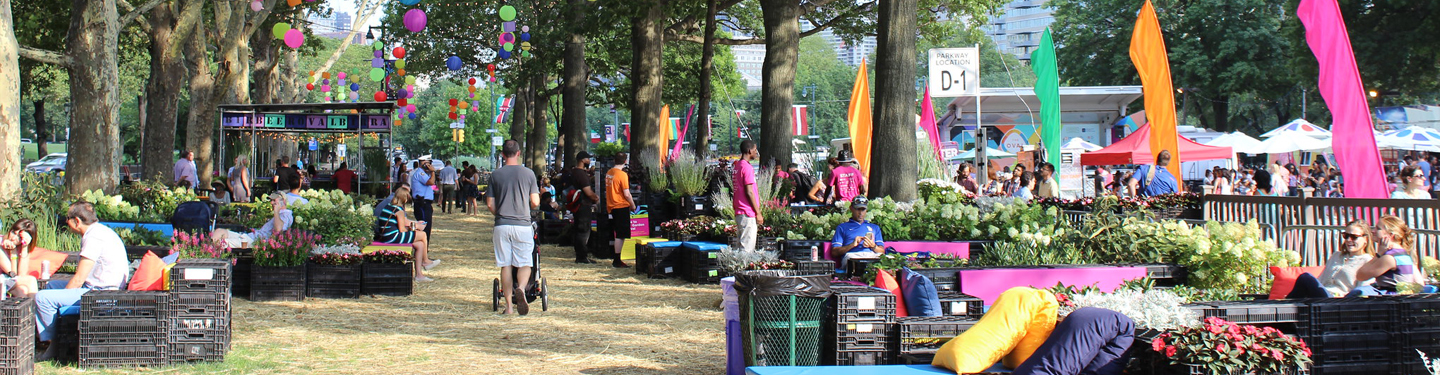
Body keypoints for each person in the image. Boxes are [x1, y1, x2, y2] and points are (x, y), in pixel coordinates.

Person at [35, 202, 129, 361]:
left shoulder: (94, 238)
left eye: (67, 219)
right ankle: (53, 336)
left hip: (101, 293)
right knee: (51, 286)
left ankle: (53, 343)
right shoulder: (100, 231)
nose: (66, 222)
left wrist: (61, 299)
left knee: (43, 298)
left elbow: (78, 279)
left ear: (76, 221)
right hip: (98, 286)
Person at [488, 140, 541, 315]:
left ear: (503, 154)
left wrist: (500, 213)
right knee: (525, 261)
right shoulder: (529, 174)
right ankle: (523, 288)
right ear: (519, 153)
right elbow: (535, 202)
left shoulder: (495, 175)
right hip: (523, 224)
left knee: (505, 264)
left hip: (502, 224)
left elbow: (490, 204)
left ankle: (509, 307)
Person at [1287, 220, 1377, 298]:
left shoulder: (1367, 261)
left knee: (1305, 278)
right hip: (1323, 294)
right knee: (1306, 282)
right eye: (1346, 236)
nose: (1349, 240)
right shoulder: (1336, 256)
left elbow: (1362, 292)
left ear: (1366, 239)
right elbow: (1320, 280)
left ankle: (1285, 304)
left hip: (1339, 300)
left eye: (1354, 237)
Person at [375, 185, 439, 282]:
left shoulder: (390, 206)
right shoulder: (399, 210)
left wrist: (415, 225)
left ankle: (419, 275)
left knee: (420, 244)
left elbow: (403, 223)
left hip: (386, 236)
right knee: (423, 235)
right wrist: (414, 230)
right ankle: (425, 261)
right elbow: (402, 229)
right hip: (392, 237)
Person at [1350, 216, 1425, 296]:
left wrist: (1378, 254)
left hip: (1391, 301)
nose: (1373, 231)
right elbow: (1420, 283)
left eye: (1378, 229)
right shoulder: (1403, 254)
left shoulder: (1389, 258)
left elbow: (1361, 275)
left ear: (1390, 235)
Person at [212, 193, 294, 248]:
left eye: (274, 200)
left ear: (282, 201)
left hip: (254, 241)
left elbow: (279, 229)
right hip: (250, 236)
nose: (272, 203)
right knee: (219, 231)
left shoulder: (286, 215)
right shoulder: (279, 215)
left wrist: (276, 211)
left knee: (220, 243)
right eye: (271, 200)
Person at [829, 196, 884, 268]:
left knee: (888, 259)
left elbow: (882, 251)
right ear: (851, 208)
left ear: (866, 210)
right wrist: (852, 245)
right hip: (853, 256)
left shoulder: (874, 227)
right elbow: (834, 252)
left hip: (871, 256)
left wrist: (873, 246)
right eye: (858, 209)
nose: (860, 213)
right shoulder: (842, 227)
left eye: (863, 209)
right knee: (854, 261)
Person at [567, 151, 600, 264]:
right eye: (587, 159)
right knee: (583, 231)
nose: (589, 161)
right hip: (583, 205)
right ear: (582, 160)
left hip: (578, 206)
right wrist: (595, 198)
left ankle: (580, 255)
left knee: (579, 230)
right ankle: (582, 256)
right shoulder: (581, 174)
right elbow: (588, 191)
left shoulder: (574, 172)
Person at [605, 153, 637, 268]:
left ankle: (616, 258)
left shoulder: (609, 173)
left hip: (612, 205)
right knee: (621, 234)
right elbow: (627, 194)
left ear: (614, 160)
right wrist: (632, 205)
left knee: (617, 232)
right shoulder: (622, 175)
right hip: (621, 206)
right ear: (625, 161)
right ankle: (617, 259)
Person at [733, 140, 764, 252]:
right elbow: (749, 192)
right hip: (747, 212)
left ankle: (737, 267)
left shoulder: (738, 166)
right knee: (747, 248)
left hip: (740, 211)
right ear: (750, 150)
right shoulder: (747, 168)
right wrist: (758, 213)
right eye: (755, 150)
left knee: (740, 246)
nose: (756, 152)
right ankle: (743, 268)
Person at [0, 219, 43, 298]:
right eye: (13, 232)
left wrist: (24, 248)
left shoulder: (20, 247)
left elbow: (22, 275)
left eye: (20, 237)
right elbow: (13, 274)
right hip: (3, 281)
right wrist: (13, 252)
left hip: (7, 283)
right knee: (31, 280)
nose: (13, 238)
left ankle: (30, 310)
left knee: (23, 290)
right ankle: (37, 309)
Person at [410, 157, 438, 238]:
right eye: (428, 164)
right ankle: (424, 247)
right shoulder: (420, 173)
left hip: (425, 203)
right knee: (424, 227)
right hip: (422, 202)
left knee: (427, 227)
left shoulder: (423, 173)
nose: (429, 166)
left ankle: (425, 246)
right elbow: (431, 182)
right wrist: (432, 171)